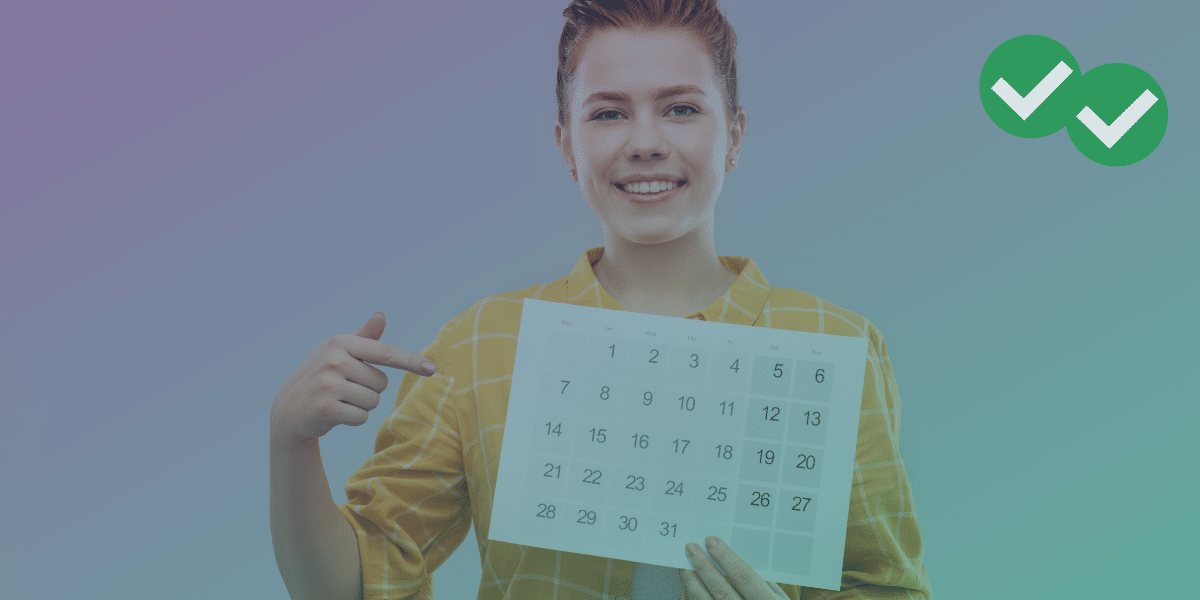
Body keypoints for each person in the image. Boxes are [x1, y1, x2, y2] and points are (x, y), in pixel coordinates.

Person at [269, 1, 932, 598]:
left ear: (734, 135)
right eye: (608, 113)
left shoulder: (834, 345)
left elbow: (889, 587)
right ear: (566, 143)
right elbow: (352, 586)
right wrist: (290, 440)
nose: (644, 142)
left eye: (681, 108)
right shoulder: (482, 345)